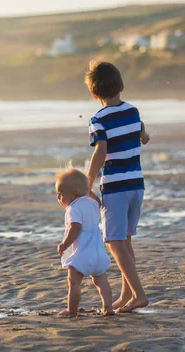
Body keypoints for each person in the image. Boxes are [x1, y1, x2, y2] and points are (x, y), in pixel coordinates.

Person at [84, 60, 150, 313]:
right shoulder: (133, 111)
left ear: (94, 94)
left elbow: (101, 150)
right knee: (125, 240)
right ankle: (127, 295)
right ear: (122, 86)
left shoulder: (98, 119)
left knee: (113, 242)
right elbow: (143, 134)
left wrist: (88, 181)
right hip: (136, 185)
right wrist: (144, 136)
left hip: (115, 186)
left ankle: (140, 294)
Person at [56, 167, 114, 317]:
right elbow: (98, 202)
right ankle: (108, 307)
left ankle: (71, 311)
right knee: (102, 282)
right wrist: (88, 191)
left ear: (74, 194)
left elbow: (75, 228)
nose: (58, 198)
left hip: (81, 254)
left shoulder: (73, 208)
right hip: (98, 253)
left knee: (74, 283)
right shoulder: (92, 203)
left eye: (60, 194)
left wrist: (65, 244)